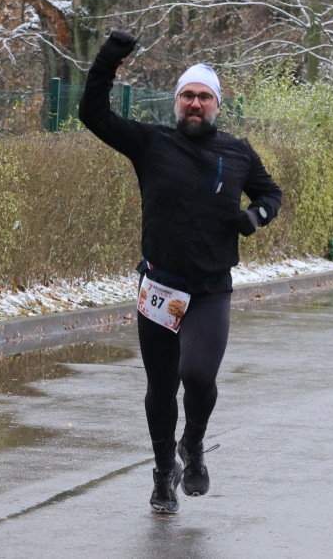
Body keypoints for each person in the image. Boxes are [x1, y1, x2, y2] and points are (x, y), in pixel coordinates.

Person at [79, 30, 282, 513]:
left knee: (198, 375)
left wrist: (256, 218)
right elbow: (93, 113)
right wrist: (110, 58)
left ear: (217, 105)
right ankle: (162, 471)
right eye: (188, 95)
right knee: (161, 387)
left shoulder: (237, 151)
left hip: (211, 288)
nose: (195, 104)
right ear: (177, 102)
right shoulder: (151, 143)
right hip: (159, 286)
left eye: (204, 97)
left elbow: (271, 195)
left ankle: (192, 445)